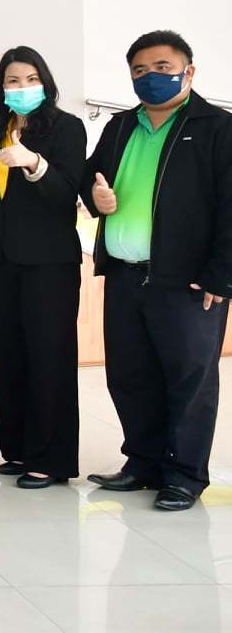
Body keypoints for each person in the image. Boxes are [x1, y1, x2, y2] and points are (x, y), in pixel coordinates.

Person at [86, 30, 232, 511]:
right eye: (140, 70)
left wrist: (222, 274)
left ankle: (185, 476)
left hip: (187, 281)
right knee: (129, 375)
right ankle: (142, 462)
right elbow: (92, 177)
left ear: (189, 71)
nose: (151, 77)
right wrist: (95, 195)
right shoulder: (120, 126)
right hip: (124, 274)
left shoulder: (217, 127)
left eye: (163, 67)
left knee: (189, 380)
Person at [0, 46, 86, 489]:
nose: (21, 87)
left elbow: (67, 194)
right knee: (9, 356)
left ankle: (51, 459)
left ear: (45, 83)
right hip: (2, 259)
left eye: (30, 79)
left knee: (49, 357)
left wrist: (35, 164)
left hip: (50, 262)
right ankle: (20, 449)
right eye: (12, 81)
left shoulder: (67, 127)